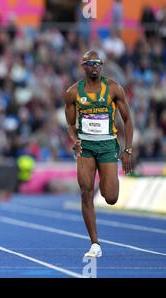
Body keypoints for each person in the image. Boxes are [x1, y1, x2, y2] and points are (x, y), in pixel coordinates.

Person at [64, 50, 133, 257]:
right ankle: (95, 243)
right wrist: (74, 139)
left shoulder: (113, 88)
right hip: (85, 147)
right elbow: (69, 123)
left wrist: (127, 149)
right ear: (83, 66)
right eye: (90, 63)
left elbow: (127, 120)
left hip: (108, 146)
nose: (95, 66)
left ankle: (104, 183)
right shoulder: (73, 92)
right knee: (85, 192)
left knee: (111, 197)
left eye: (98, 63)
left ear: (102, 66)